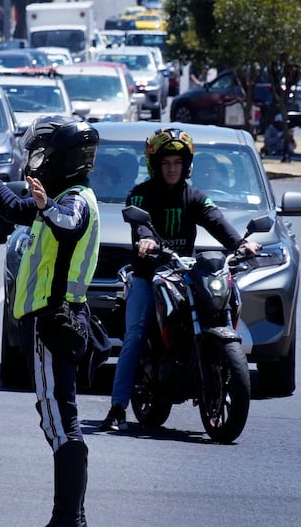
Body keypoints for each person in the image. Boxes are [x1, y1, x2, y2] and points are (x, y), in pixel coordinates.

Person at [0, 115, 100, 527]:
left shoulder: (73, 201)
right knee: (58, 419)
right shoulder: (60, 196)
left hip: (55, 322)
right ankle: (68, 517)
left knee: (61, 422)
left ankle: (68, 518)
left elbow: (68, 223)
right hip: (55, 322)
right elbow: (12, 207)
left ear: (61, 159)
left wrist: (47, 208)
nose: (36, 161)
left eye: (42, 154)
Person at [99, 127, 260, 432]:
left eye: (177, 162)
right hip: (149, 275)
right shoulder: (140, 194)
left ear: (186, 165)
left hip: (184, 274)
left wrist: (240, 244)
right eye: (166, 163)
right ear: (156, 166)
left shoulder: (195, 196)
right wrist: (146, 241)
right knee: (134, 333)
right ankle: (118, 407)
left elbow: (216, 220)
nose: (172, 169)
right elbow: (140, 227)